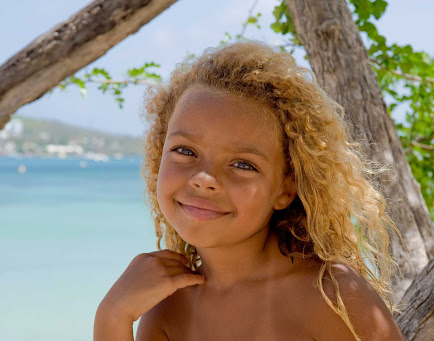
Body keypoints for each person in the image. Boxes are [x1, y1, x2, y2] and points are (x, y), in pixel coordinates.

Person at [94, 40, 406, 341]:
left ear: (285, 189)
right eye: (185, 151)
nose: (204, 178)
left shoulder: (333, 297)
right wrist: (113, 315)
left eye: (243, 165)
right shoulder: (167, 307)